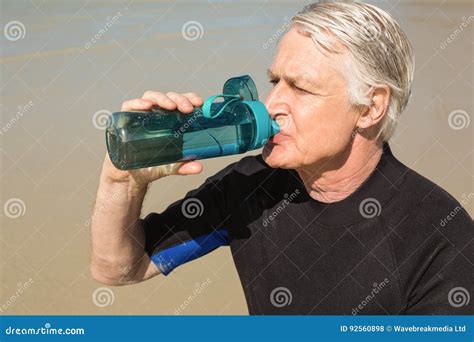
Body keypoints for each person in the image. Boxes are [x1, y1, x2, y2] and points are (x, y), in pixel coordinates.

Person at [90, 1, 473, 314]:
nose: (272, 104)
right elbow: (119, 270)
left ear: (370, 108)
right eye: (275, 81)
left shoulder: (442, 240)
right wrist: (121, 182)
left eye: (301, 88)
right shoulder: (251, 185)